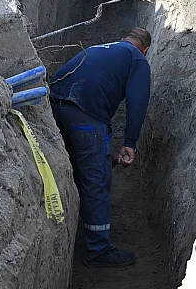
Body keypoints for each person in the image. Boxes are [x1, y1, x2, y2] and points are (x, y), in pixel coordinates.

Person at [49, 27, 152, 268]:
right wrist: (130, 143)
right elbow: (138, 101)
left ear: (124, 39)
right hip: (86, 111)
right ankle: (99, 250)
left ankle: (80, 220)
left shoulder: (100, 48)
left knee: (77, 166)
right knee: (96, 177)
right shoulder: (137, 58)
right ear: (146, 50)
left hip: (55, 105)